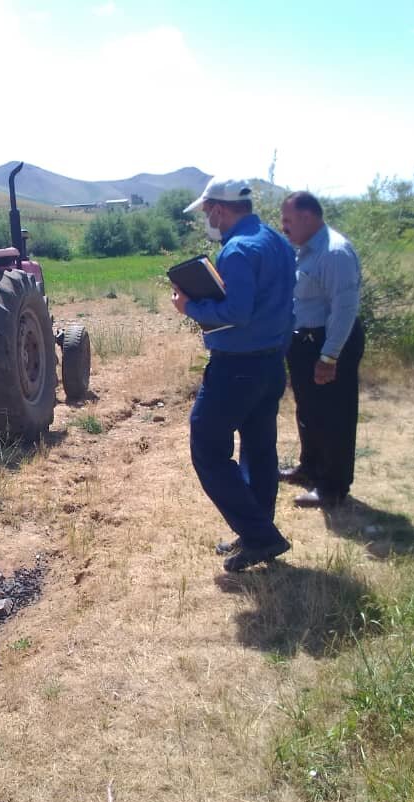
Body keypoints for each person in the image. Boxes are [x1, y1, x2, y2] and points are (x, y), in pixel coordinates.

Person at [172, 178, 297, 572]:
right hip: (271, 362)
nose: (208, 218)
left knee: (208, 449)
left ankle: (261, 536)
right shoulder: (276, 240)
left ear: (219, 209)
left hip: (236, 368)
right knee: (259, 451)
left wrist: (189, 307)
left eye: (208, 211)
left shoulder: (238, 250)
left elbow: (235, 314)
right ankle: (257, 531)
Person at [279, 191, 364, 509]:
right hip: (305, 342)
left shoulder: (334, 252)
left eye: (288, 220)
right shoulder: (305, 250)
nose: (284, 227)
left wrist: (329, 357)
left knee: (334, 415)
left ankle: (333, 486)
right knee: (309, 409)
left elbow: (344, 309)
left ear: (307, 217)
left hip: (329, 342)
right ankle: (310, 467)